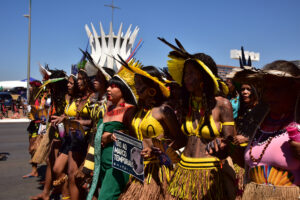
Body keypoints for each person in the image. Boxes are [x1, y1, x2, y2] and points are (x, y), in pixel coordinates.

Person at [159, 38, 236, 200]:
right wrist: (163, 150)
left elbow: (231, 141)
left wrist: (222, 143)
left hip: (210, 174)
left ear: (204, 77)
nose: (186, 77)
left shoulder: (222, 104)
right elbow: (184, 140)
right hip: (184, 170)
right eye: (185, 73)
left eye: (191, 73)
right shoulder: (187, 105)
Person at [233, 60, 300, 200]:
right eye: (266, 89)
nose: (269, 95)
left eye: (276, 89)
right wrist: (228, 150)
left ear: (295, 89)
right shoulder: (260, 123)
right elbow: (254, 165)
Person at [119, 65, 183, 200]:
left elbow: (181, 139)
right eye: (135, 83)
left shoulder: (164, 111)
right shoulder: (136, 112)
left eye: (140, 83)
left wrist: (160, 149)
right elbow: (134, 138)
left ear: (151, 87)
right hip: (139, 170)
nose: (136, 86)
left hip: (160, 171)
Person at [87, 70, 137, 200]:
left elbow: (136, 137)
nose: (108, 89)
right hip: (102, 161)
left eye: (113, 86)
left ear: (124, 89)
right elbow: (101, 134)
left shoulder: (130, 110)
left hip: (118, 163)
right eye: (108, 86)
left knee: (105, 197)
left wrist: (112, 136)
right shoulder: (109, 109)